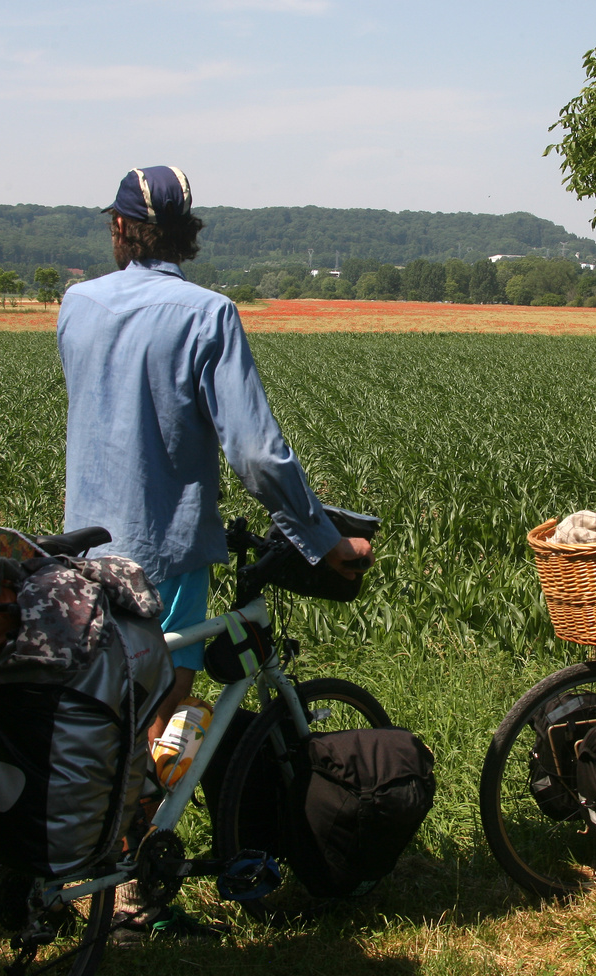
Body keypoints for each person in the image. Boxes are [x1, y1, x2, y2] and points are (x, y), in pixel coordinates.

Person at [57, 165, 373, 754]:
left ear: (120, 227)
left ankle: (104, 833)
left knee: (104, 715)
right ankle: (137, 838)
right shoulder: (207, 314)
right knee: (156, 716)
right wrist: (325, 539)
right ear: (187, 232)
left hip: (83, 554)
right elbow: (254, 453)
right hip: (164, 553)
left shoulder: (76, 304)